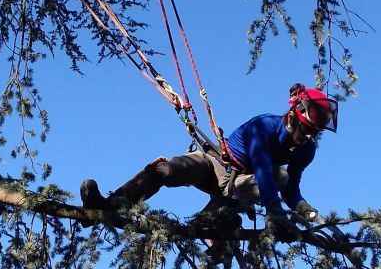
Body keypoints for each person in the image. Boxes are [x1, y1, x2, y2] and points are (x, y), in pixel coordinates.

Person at [80, 83, 338, 236]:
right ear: (292, 117)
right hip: (214, 164)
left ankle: (207, 222)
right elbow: (260, 163)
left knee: (281, 176)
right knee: (166, 169)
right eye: (305, 130)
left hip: (240, 187)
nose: (307, 137)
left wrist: (305, 209)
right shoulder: (264, 126)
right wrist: (274, 210)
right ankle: (108, 206)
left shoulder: (306, 150)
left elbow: (290, 188)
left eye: (314, 133)